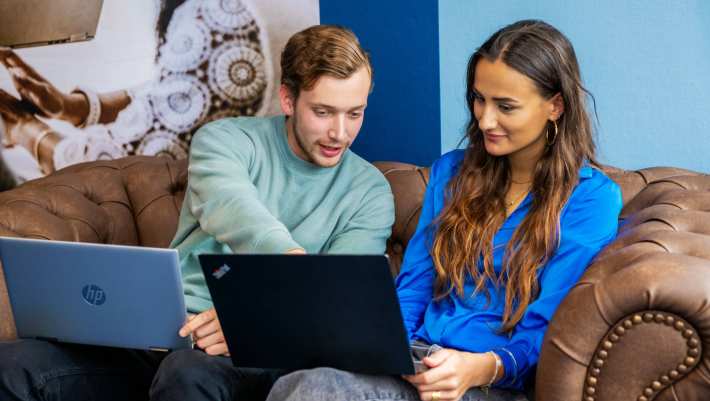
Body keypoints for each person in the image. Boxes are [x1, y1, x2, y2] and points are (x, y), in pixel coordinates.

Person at [0, 24, 395, 401]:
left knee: (187, 373)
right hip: (162, 332)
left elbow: (342, 297)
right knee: (13, 365)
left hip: (262, 347)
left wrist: (253, 319)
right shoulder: (224, 140)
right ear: (288, 99)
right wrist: (292, 268)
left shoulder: (369, 192)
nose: (340, 133)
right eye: (324, 112)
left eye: (354, 113)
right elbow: (233, 207)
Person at [263, 20, 623, 401]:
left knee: (315, 391)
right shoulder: (453, 172)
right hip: (423, 365)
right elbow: (415, 284)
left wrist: (480, 368)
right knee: (298, 382)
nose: (484, 119)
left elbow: (550, 329)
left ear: (555, 106)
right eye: (478, 99)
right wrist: (391, 349)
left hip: (492, 380)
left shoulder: (590, 199)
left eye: (505, 106)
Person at [0, 0, 272, 176]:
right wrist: (77, 108)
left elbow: (120, 173)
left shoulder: (226, 17)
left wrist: (22, 128)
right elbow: (176, 96)